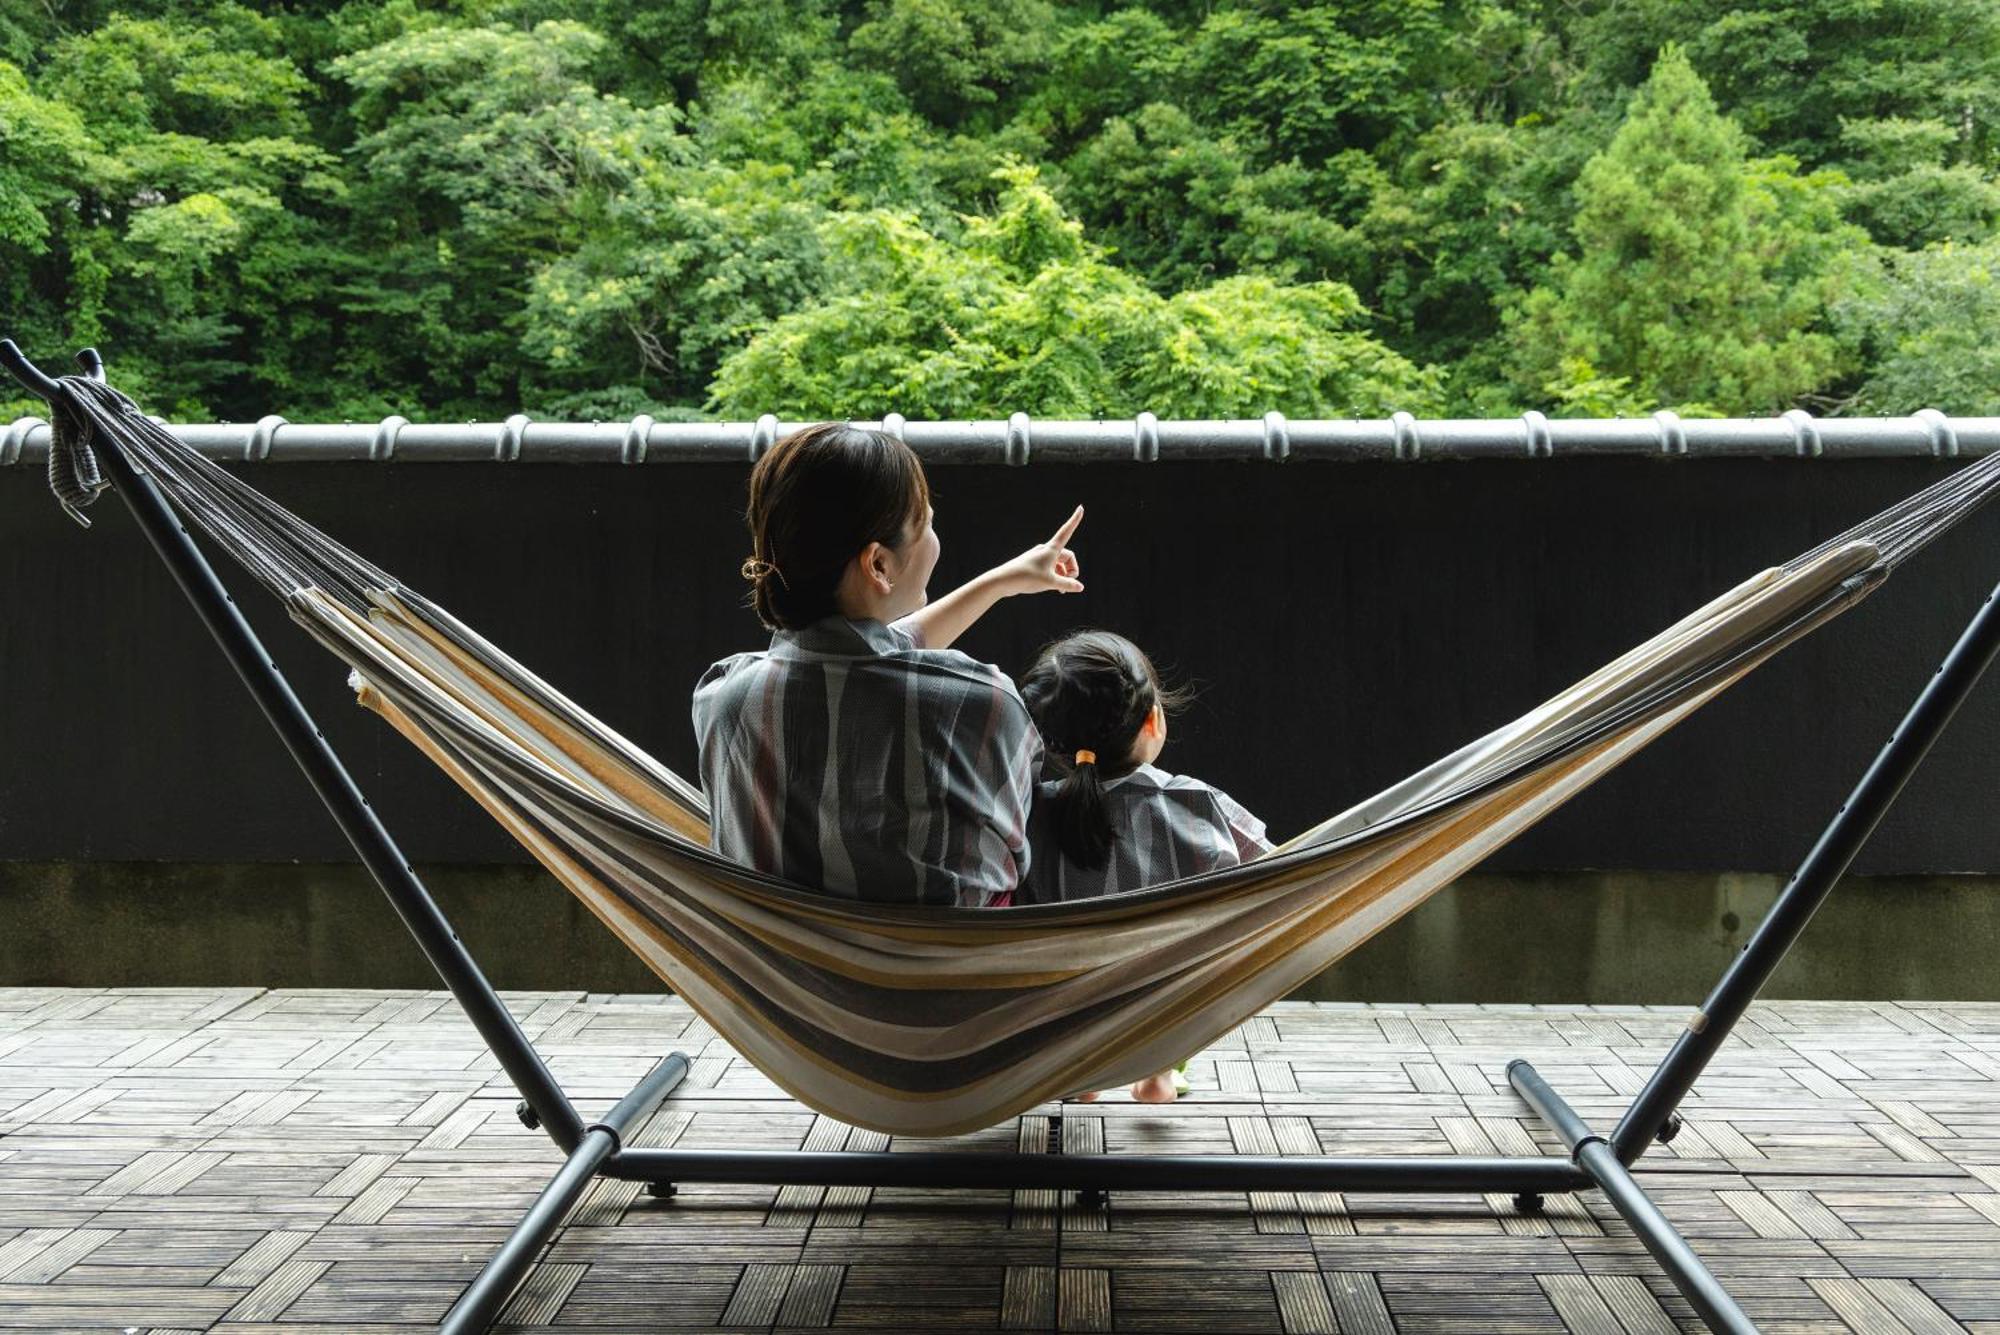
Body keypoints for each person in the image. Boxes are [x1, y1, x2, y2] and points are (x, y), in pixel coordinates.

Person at [692, 422, 1084, 906]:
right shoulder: (984, 707)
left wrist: (1000, 582)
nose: (935, 540)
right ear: (878, 564)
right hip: (957, 978)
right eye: (928, 525)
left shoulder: (725, 702)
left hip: (779, 976)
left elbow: (859, 657)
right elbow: (1016, 861)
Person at [1017, 629, 1274, 1101]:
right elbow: (1277, 872)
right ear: (1153, 721)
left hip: (1065, 1013)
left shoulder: (1031, 814)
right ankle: (1159, 1072)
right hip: (1165, 1010)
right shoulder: (1196, 803)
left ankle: (1081, 1076)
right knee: (1199, 956)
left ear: (1049, 740)